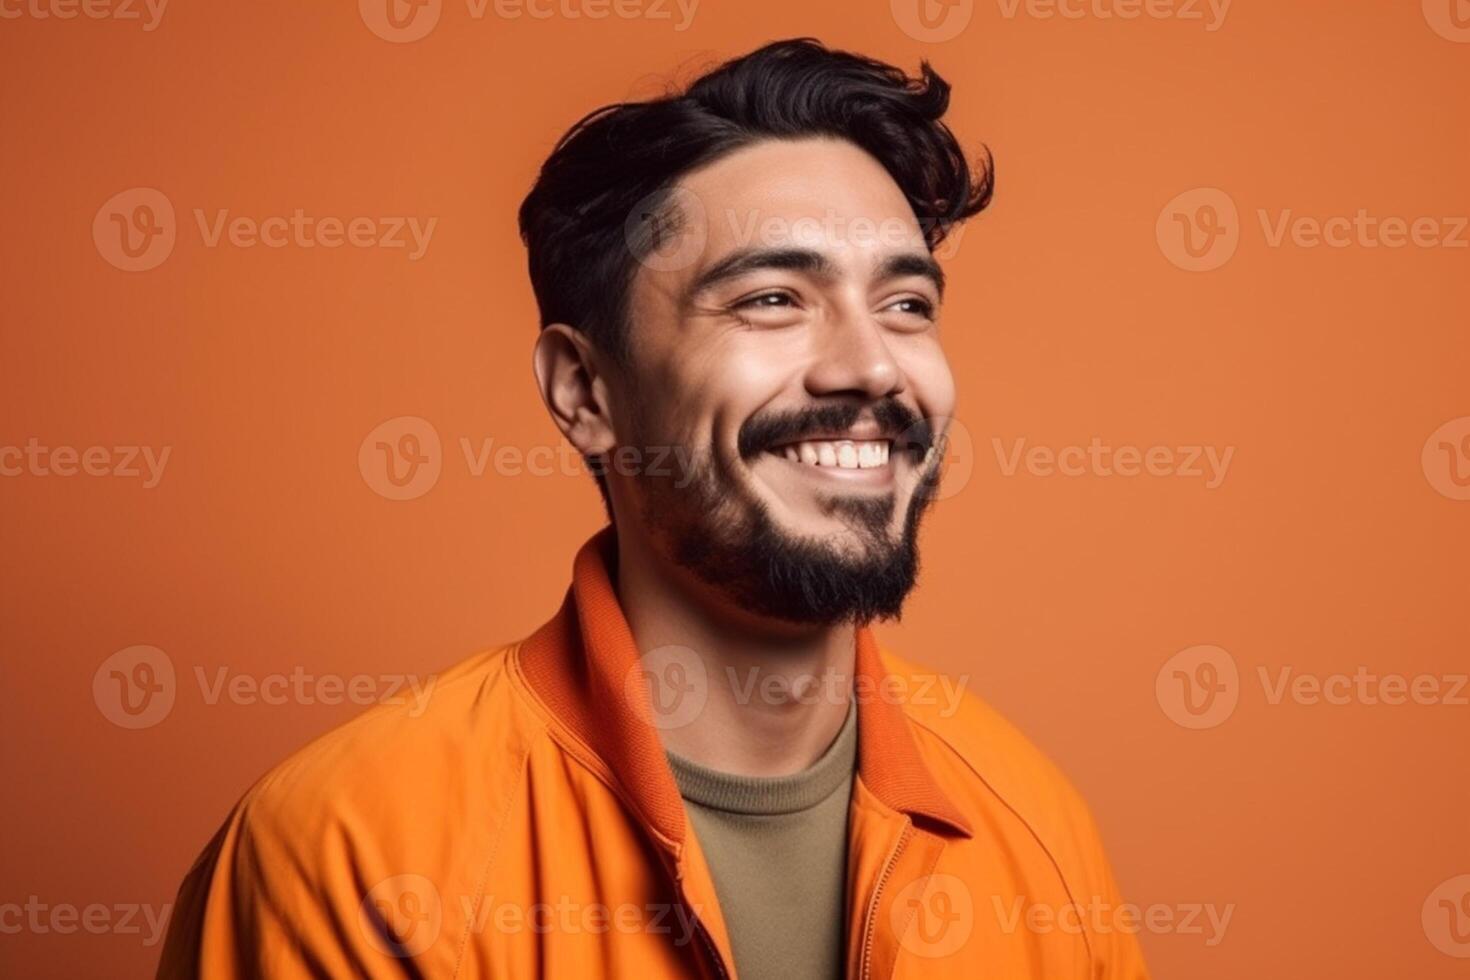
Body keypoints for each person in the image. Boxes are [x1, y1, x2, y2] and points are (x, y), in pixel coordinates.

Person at [157, 38, 1149, 979]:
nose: (873, 364)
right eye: (771, 298)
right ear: (585, 392)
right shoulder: (349, 850)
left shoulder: (1036, 828)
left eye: (907, 304)